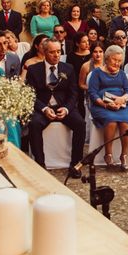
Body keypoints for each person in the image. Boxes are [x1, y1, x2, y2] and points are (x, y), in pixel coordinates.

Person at [25, 38, 85, 178]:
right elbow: (30, 94)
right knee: (34, 124)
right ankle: (40, 164)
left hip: (63, 106)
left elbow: (73, 93)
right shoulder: (34, 70)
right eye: (52, 52)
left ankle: (76, 164)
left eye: (58, 51)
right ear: (44, 52)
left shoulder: (68, 68)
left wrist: (67, 109)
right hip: (43, 107)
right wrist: (44, 109)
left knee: (80, 124)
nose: (56, 55)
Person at [88, 45, 128, 171]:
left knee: (125, 122)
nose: (117, 63)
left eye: (120, 61)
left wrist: (123, 98)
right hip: (101, 105)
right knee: (111, 120)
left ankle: (124, 155)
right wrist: (105, 104)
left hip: (121, 104)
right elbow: (92, 93)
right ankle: (108, 155)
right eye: (114, 60)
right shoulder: (96, 73)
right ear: (107, 58)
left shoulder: (122, 74)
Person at [66, 31, 91, 117]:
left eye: (87, 41)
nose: (87, 43)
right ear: (77, 44)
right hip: (76, 83)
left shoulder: (92, 54)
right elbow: (69, 72)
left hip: (90, 82)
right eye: (84, 42)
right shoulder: (71, 56)